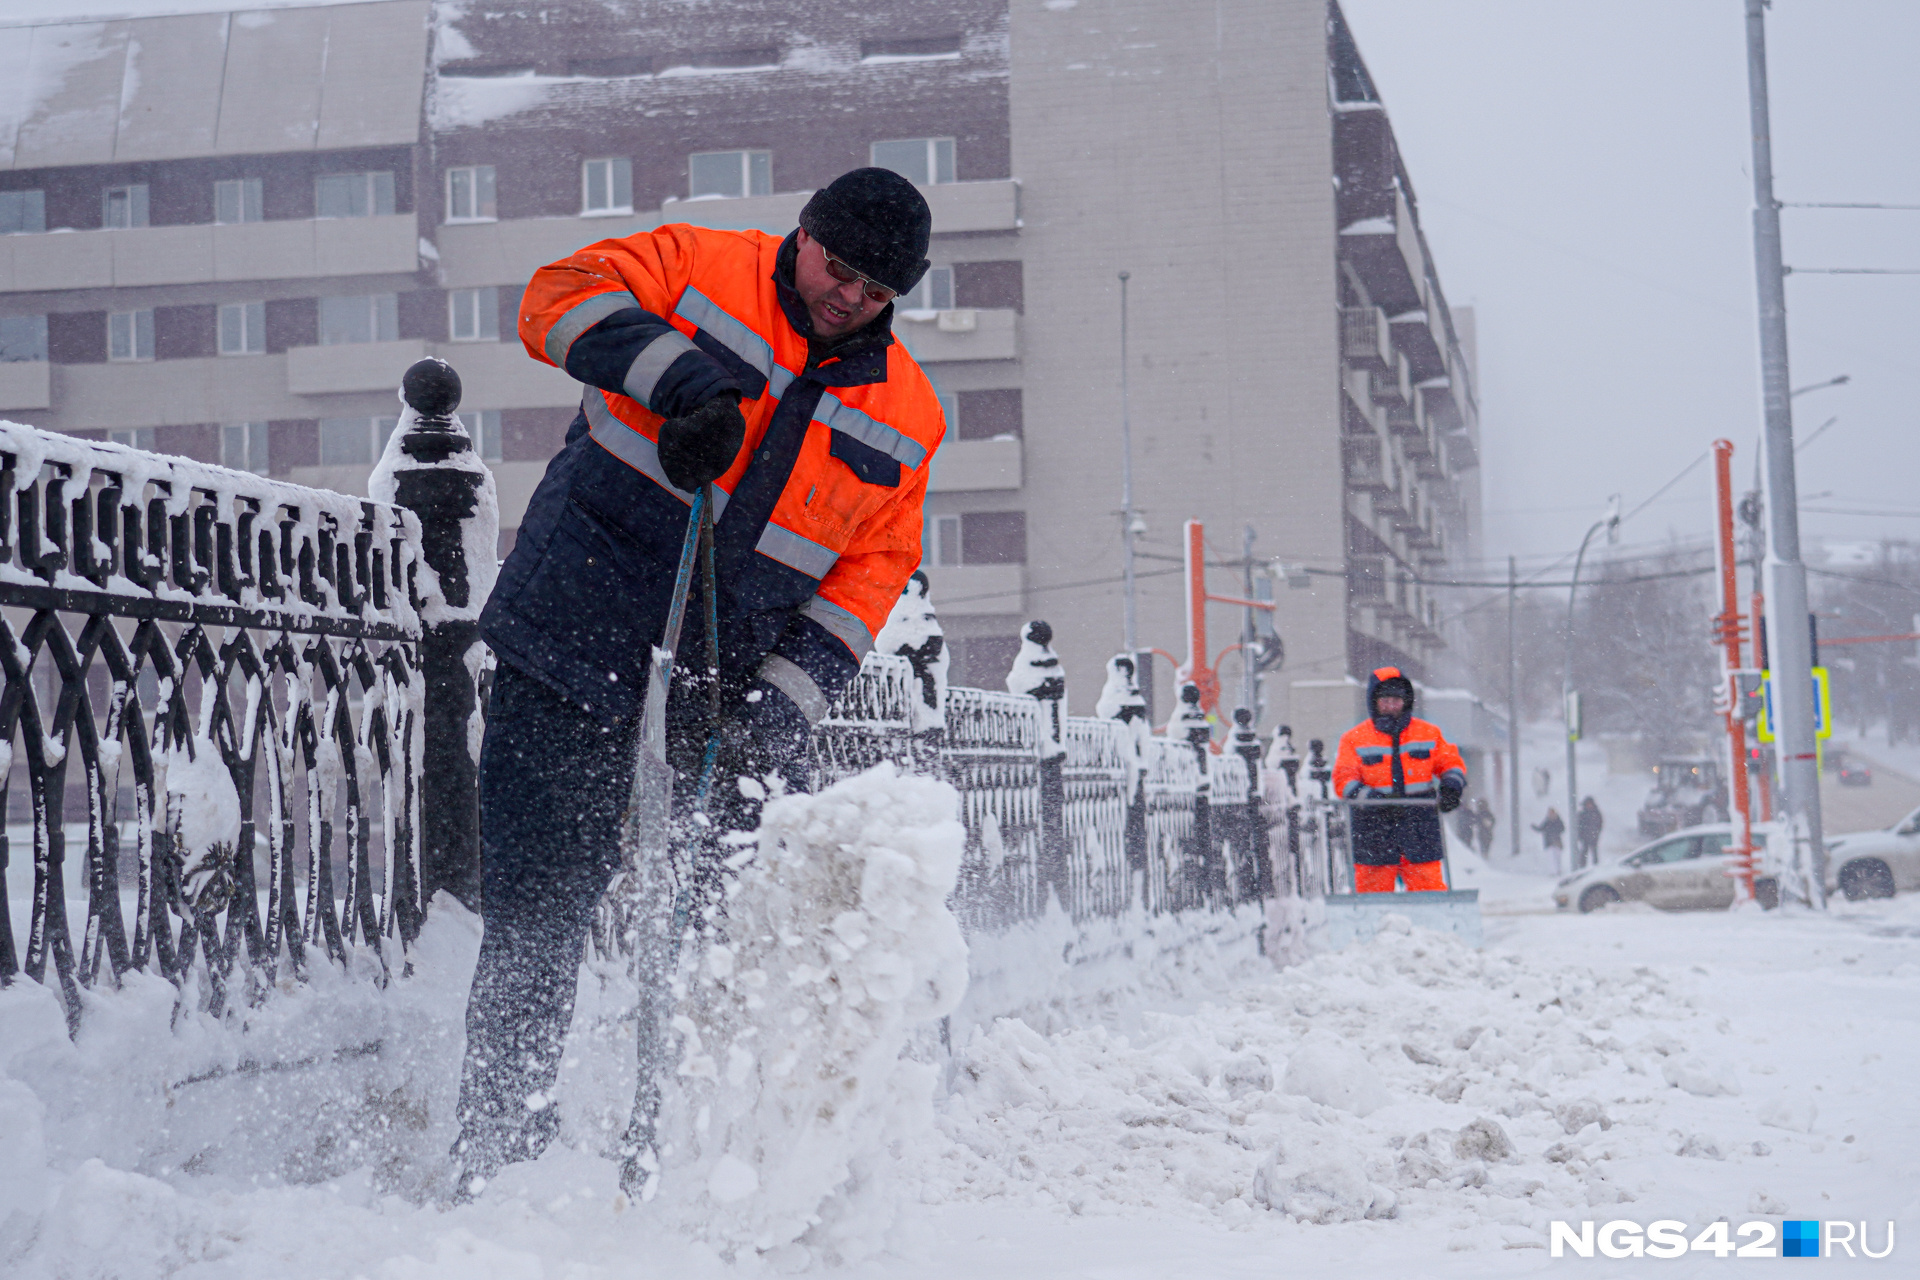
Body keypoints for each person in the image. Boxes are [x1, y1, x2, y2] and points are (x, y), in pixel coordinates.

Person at [449, 168, 947, 1198]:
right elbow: (554, 296)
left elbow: (870, 574)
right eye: (836, 267)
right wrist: (676, 377)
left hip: (715, 700)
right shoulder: (697, 265)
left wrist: (786, 695)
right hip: (570, 635)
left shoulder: (910, 415)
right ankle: (498, 1157)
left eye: (875, 288)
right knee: (540, 913)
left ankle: (683, 1159)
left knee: (713, 940)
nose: (847, 294)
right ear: (802, 234)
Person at [1332, 667, 1468, 893]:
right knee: (1373, 890)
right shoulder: (1354, 739)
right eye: (1385, 700)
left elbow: (1451, 763)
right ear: (1374, 702)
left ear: (1406, 701)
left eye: (1396, 700)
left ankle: (1433, 927)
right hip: (1372, 825)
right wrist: (1371, 799)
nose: (1391, 706)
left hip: (1419, 824)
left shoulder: (1429, 734)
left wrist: (1452, 787)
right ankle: (1374, 927)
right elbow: (1343, 779)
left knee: (1429, 888)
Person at [1575, 796, 1604, 864]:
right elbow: (1579, 825)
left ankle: (1595, 865)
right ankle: (1582, 866)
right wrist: (1581, 834)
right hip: (1585, 836)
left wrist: (1596, 832)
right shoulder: (1583, 814)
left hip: (1593, 836)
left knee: (1594, 852)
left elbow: (1600, 823)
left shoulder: (1596, 813)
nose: (1589, 805)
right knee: (1584, 852)